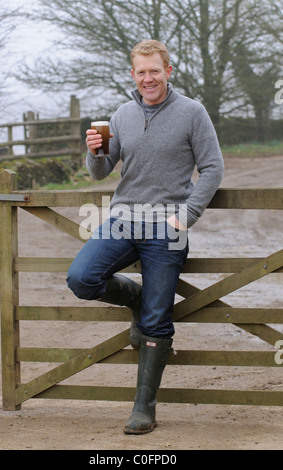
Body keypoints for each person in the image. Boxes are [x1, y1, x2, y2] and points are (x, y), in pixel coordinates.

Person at [67, 39, 224, 434]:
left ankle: (144, 407)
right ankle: (135, 297)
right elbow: (101, 172)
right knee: (81, 278)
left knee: (158, 319)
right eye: (141, 72)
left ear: (168, 71)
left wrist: (186, 216)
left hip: (166, 228)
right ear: (133, 75)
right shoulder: (121, 114)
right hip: (122, 219)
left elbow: (213, 168)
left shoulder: (192, 113)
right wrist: (95, 152)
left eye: (155, 70)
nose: (148, 78)